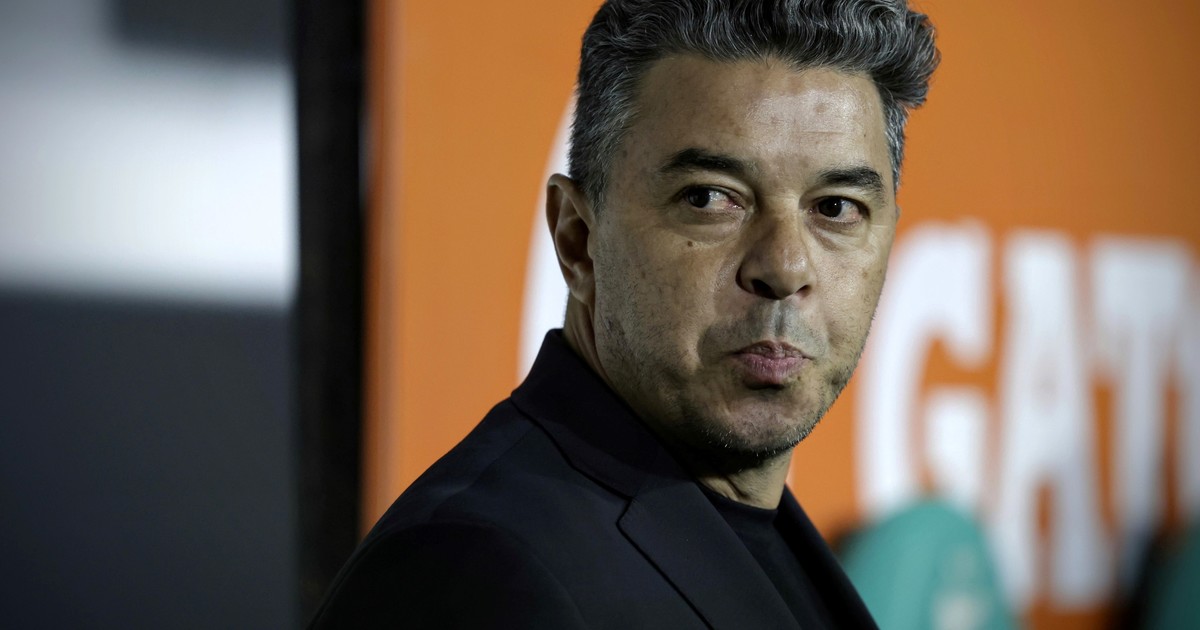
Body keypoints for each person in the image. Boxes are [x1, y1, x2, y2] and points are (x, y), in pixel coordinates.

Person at [311, 0, 938, 627]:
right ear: (577, 239)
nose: (785, 267)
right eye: (709, 198)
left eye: (836, 207)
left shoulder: (769, 539)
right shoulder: (474, 571)